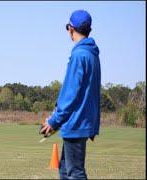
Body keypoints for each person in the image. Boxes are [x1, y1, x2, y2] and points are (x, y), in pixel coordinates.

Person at [40, 10, 101, 179]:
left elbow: (70, 93)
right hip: (83, 122)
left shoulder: (79, 55)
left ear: (70, 29)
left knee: (75, 174)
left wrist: (54, 120)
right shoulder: (92, 55)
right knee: (65, 171)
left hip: (75, 123)